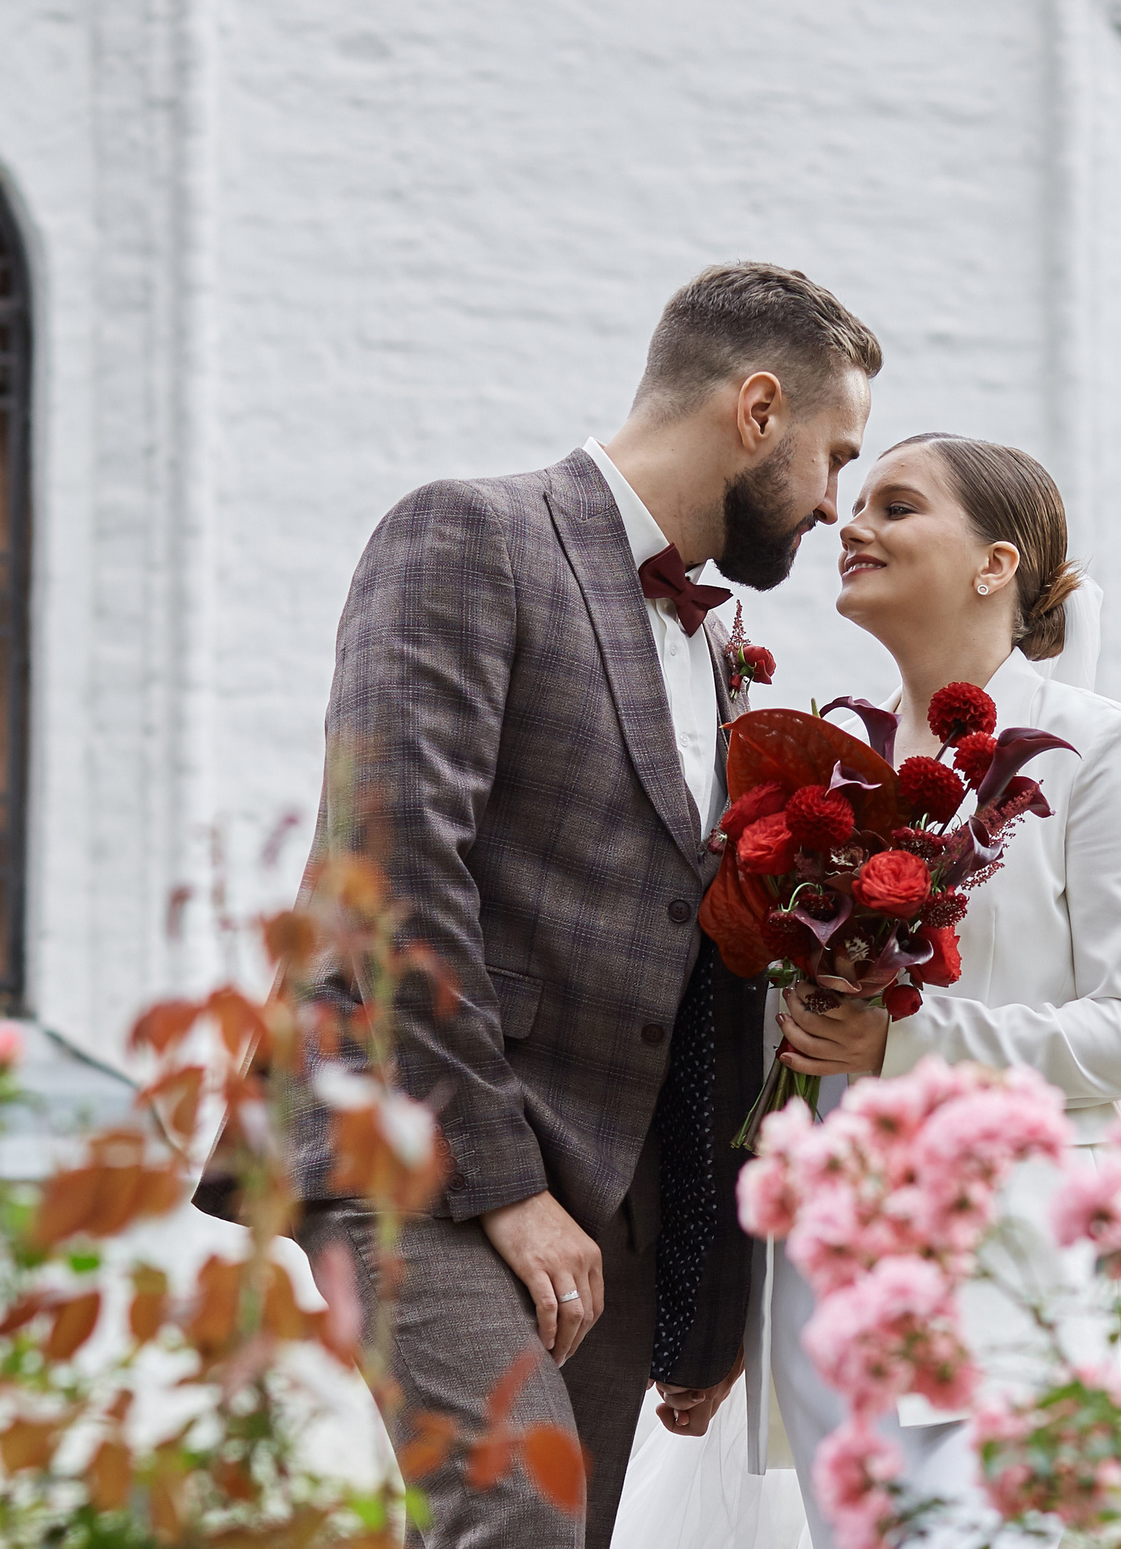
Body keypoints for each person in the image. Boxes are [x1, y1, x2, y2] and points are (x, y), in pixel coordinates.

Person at [293, 263, 880, 1549]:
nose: (835, 503)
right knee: (519, 1521)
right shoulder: (468, 534)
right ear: (759, 409)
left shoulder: (715, 646)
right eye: (836, 455)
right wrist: (502, 1187)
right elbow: (390, 876)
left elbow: (702, 970)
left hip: (606, 1192)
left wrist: (705, 1293)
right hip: (419, 1136)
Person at [616, 433, 1121, 1549]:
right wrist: (722, 1307)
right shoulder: (825, 771)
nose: (853, 524)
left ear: (995, 564)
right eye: (860, 503)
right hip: (820, 1292)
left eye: (897, 505)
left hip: (1003, 1286)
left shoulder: (1097, 750)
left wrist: (902, 1043)